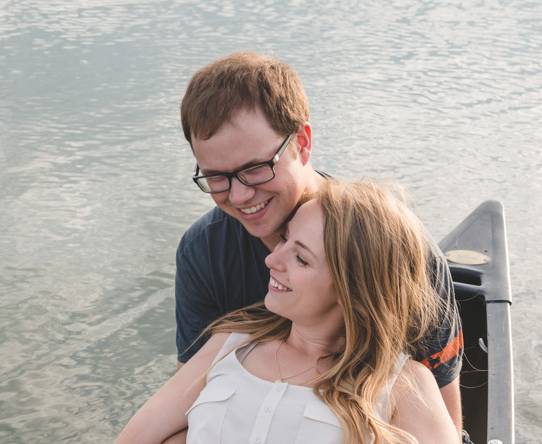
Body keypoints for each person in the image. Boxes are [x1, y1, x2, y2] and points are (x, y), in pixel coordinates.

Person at [172, 52, 464, 440]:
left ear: (303, 142)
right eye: (216, 177)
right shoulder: (203, 253)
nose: (240, 196)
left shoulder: (398, 252)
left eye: (255, 168)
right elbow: (187, 411)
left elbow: (444, 415)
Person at [116, 180, 459, 444]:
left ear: (353, 291)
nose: (271, 260)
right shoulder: (230, 343)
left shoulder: (402, 385)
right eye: (285, 240)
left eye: (301, 258)